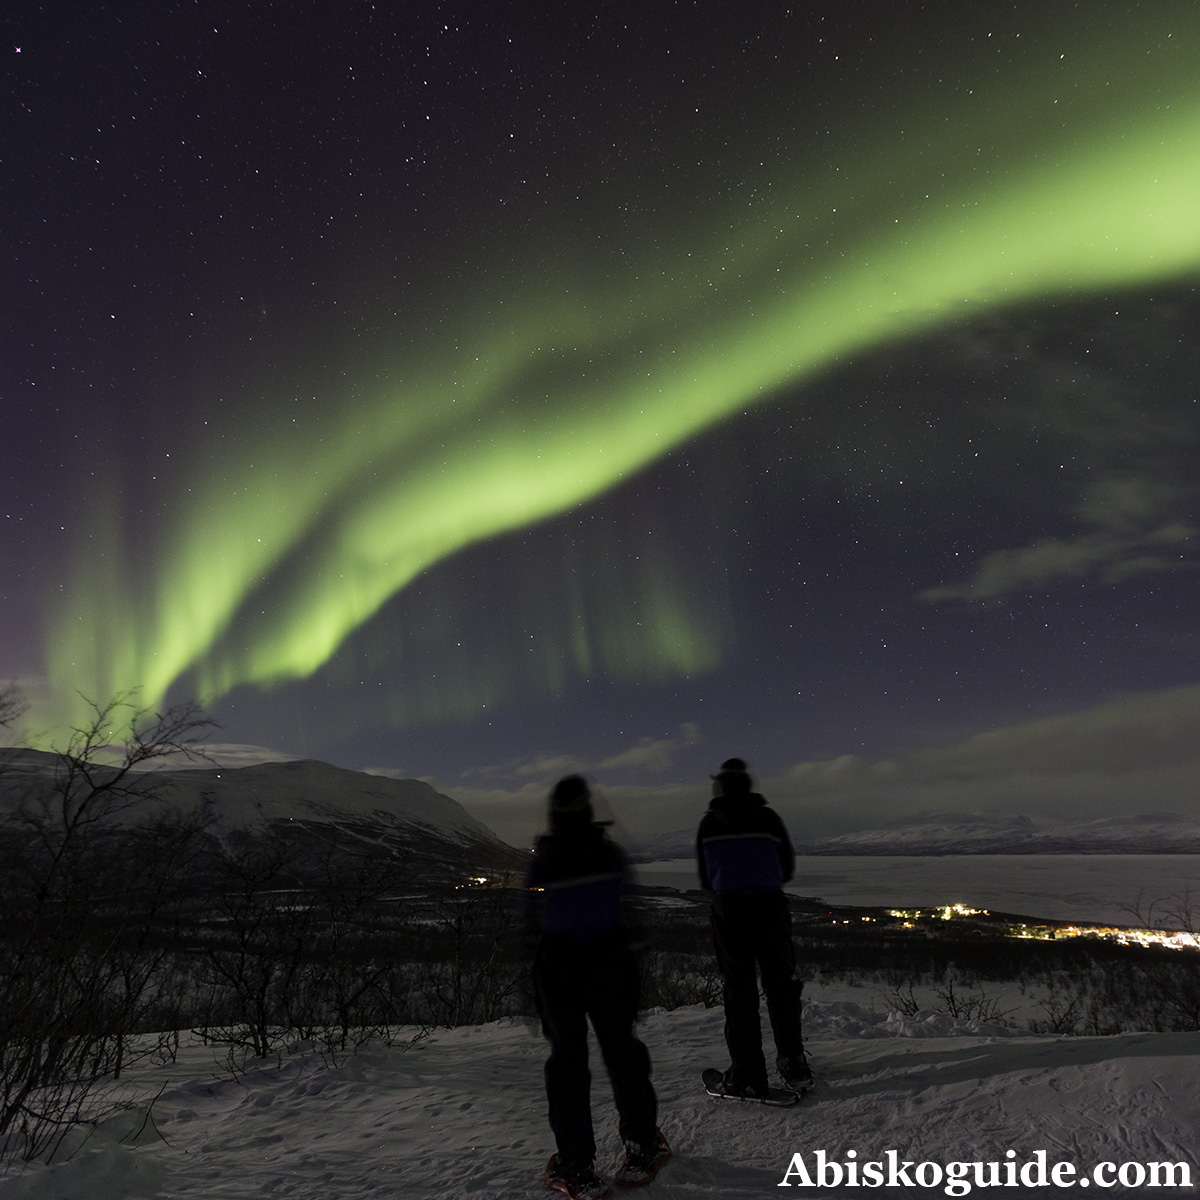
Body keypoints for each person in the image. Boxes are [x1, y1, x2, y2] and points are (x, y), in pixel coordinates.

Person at [526, 775, 668, 1199]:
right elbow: (633, 910)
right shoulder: (608, 853)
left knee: (568, 1063)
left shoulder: (544, 860)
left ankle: (576, 1166)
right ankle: (643, 1146)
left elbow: (529, 922)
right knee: (622, 1053)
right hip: (611, 964)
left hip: (559, 968)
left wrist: (532, 985)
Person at [696, 757, 812, 1097]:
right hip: (770, 907)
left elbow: (706, 877)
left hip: (729, 910)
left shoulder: (710, 824)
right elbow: (787, 867)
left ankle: (747, 1071)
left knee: (739, 989)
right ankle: (793, 1061)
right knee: (781, 985)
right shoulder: (769, 818)